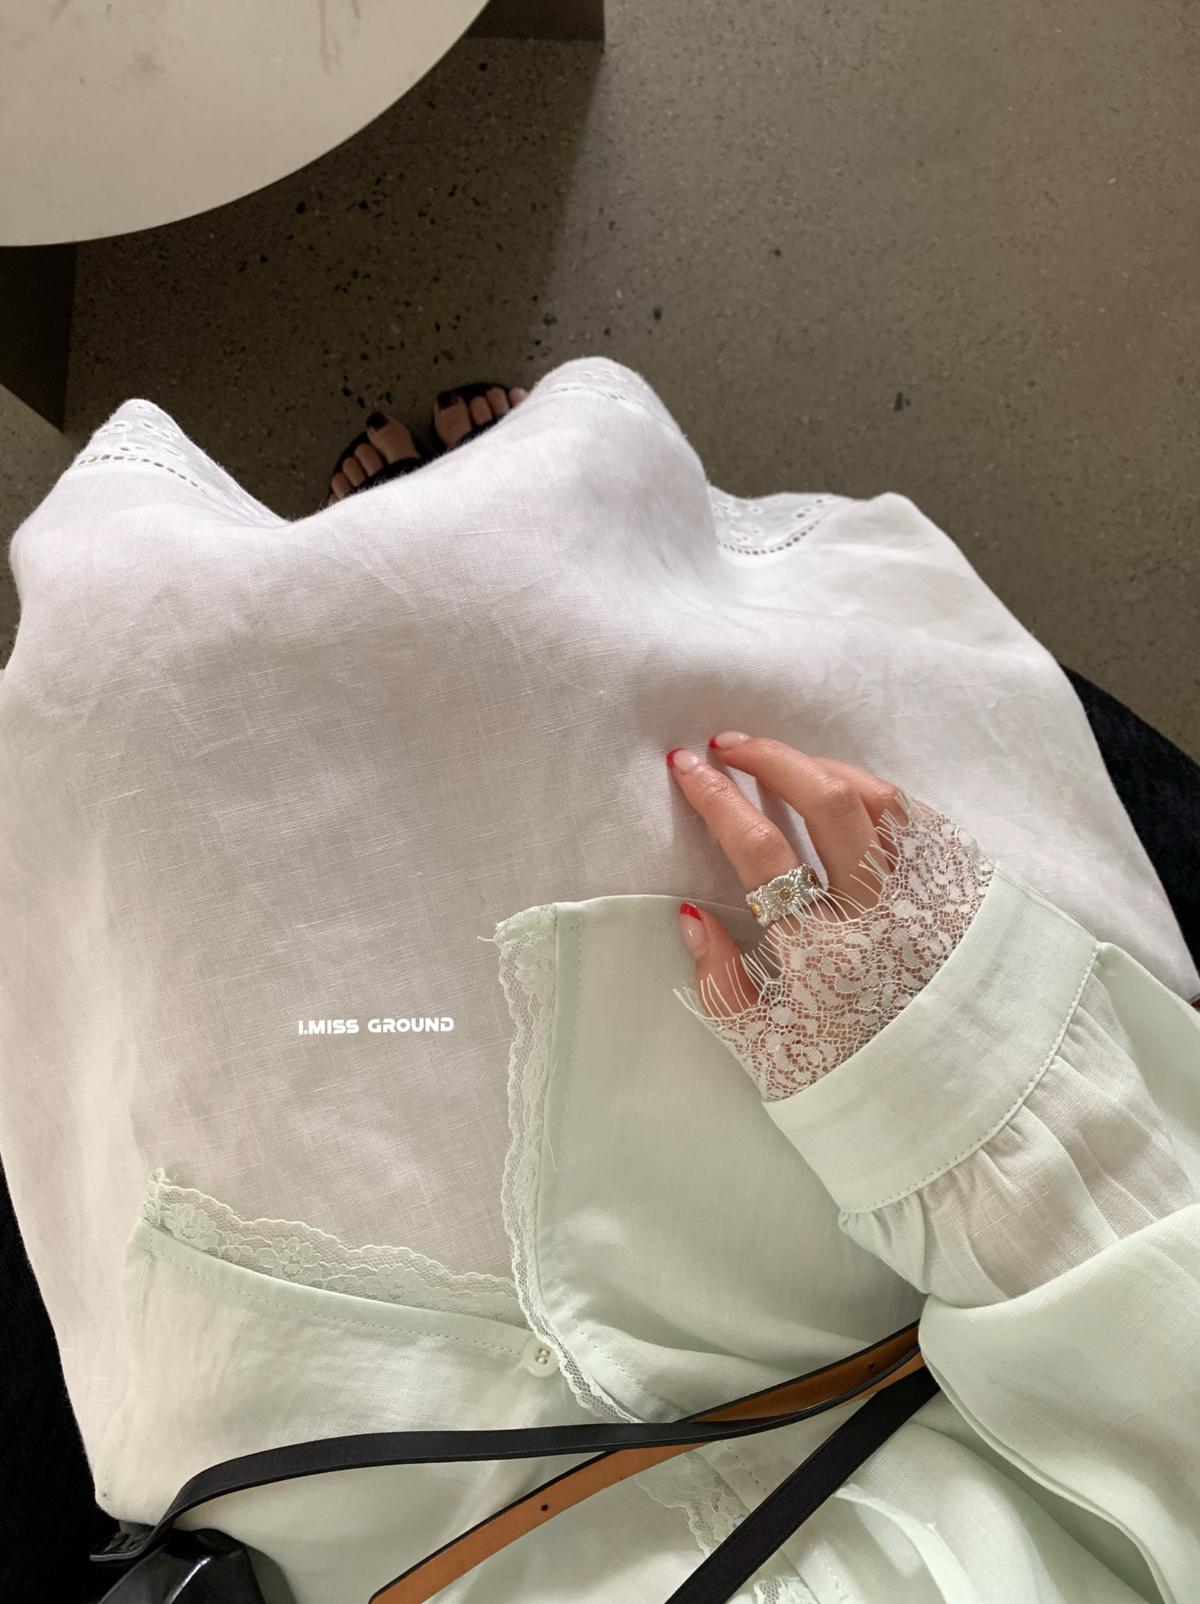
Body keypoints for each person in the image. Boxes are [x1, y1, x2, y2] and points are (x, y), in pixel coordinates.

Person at [0, 354, 1197, 1602]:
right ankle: (505, 521)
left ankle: (433, 534)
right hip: (925, 1336)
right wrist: (966, 1100)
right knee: (559, 655)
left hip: (391, 1513)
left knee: (129, 712)